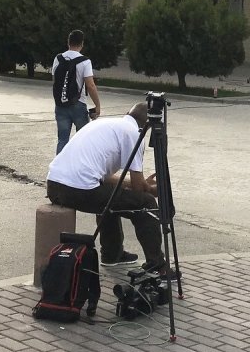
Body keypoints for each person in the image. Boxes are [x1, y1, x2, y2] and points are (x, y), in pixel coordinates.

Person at [45, 101, 166, 271]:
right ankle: (157, 264)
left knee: (110, 196)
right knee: (146, 203)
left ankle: (112, 254)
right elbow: (139, 188)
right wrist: (151, 189)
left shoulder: (107, 124)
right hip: (79, 190)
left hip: (54, 186)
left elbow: (104, 176)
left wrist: (137, 183)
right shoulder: (134, 133)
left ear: (128, 113)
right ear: (148, 126)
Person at [53, 29, 103, 154]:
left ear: (68, 42)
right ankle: (79, 164)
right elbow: (90, 85)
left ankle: (60, 165)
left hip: (60, 104)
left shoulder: (58, 59)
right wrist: (97, 105)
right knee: (82, 139)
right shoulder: (85, 61)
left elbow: (55, 80)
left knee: (62, 140)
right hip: (78, 104)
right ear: (82, 44)